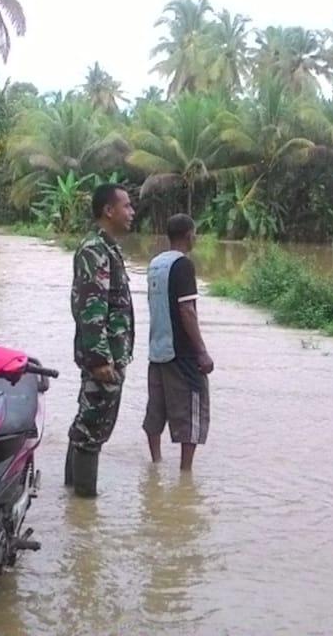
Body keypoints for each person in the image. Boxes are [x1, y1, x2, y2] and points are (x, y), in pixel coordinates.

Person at [65, 183, 136, 498]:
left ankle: (71, 496)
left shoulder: (108, 248)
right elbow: (92, 306)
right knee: (91, 429)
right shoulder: (95, 249)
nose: (132, 213)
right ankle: (83, 509)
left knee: (87, 423)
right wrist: (99, 359)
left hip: (110, 356)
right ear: (109, 210)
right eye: (127, 206)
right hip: (103, 360)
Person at [143, 214, 213, 472]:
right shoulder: (183, 265)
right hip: (181, 353)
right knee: (192, 408)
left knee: (156, 409)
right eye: (194, 234)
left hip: (157, 350)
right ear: (188, 235)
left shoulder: (155, 264)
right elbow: (187, 311)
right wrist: (202, 352)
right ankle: (186, 473)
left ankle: (156, 463)